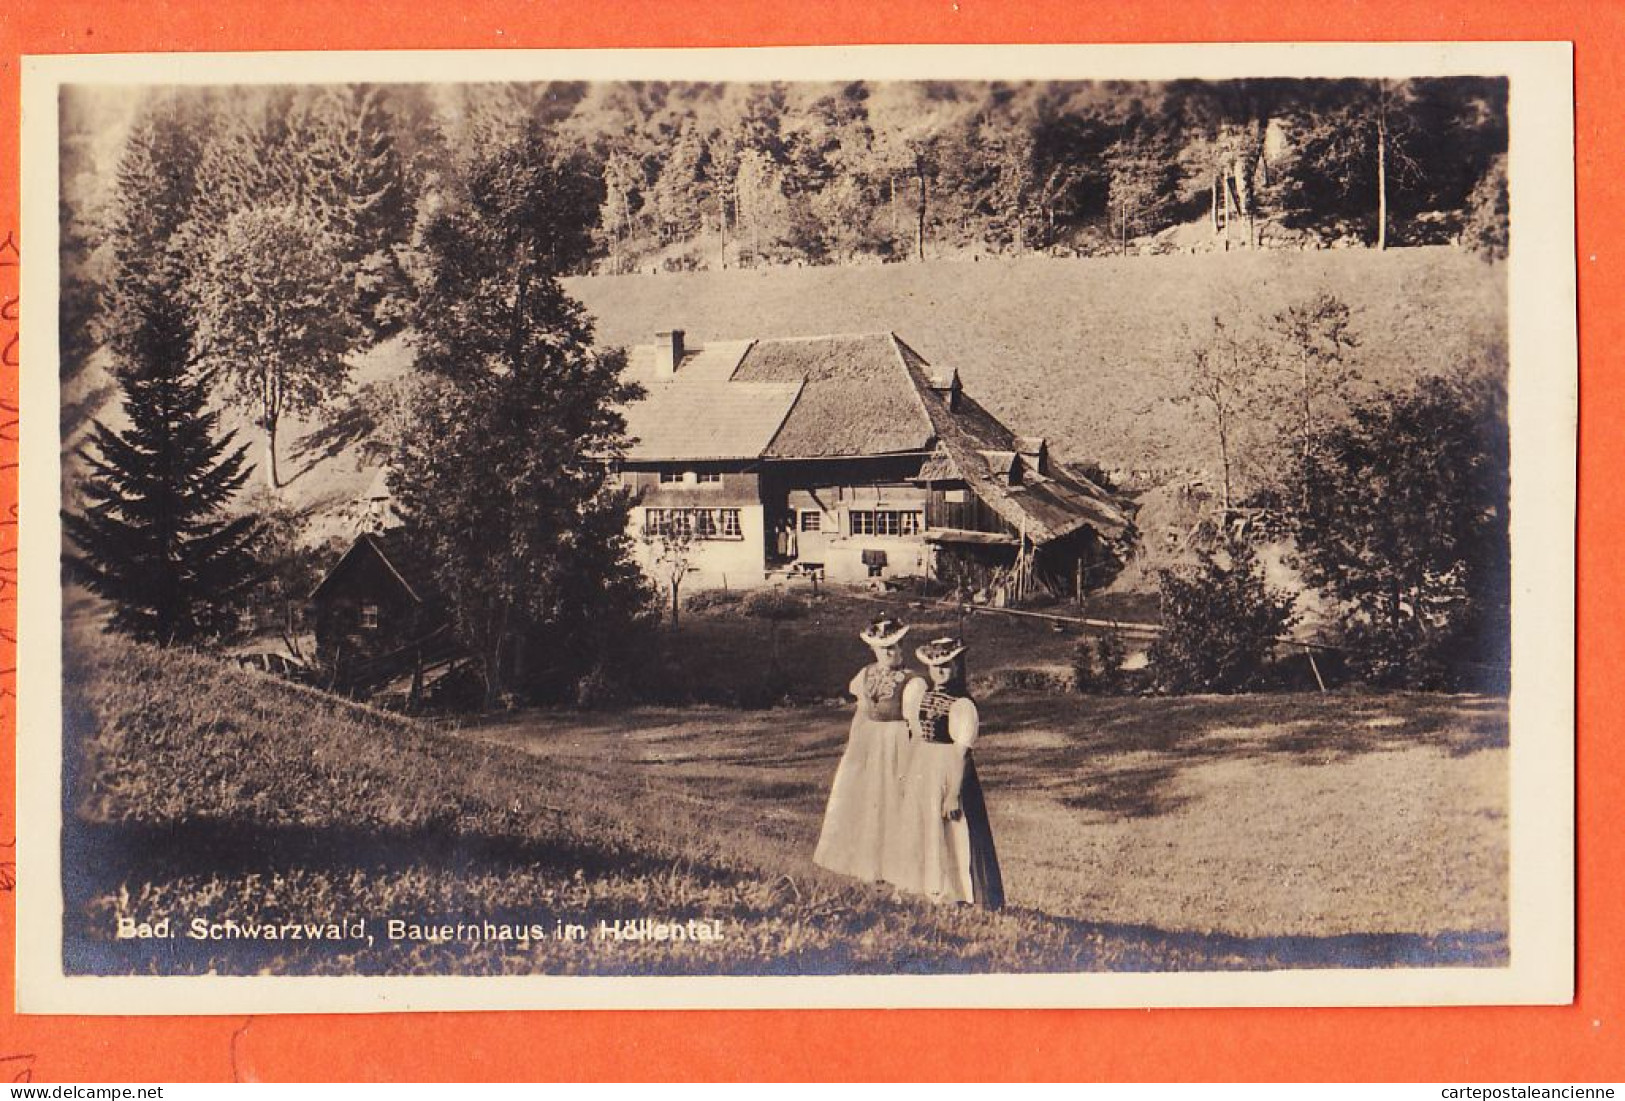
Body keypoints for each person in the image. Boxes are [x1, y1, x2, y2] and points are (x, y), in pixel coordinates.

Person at [895, 637, 1005, 909]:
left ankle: (957, 892)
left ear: (956, 666)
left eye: (946, 665)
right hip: (925, 768)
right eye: (935, 666)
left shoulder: (962, 704)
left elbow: (961, 752)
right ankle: (926, 887)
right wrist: (907, 774)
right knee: (924, 825)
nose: (940, 671)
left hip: (950, 770)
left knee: (953, 829)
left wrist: (954, 794)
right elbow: (917, 737)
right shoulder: (923, 696)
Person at [812, 616, 920, 882]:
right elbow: (861, 713)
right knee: (862, 797)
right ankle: (865, 865)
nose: (891, 653)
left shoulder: (912, 681)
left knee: (891, 799)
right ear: (874, 650)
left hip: (895, 742)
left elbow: (915, 725)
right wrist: (854, 745)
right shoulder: (866, 674)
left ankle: (894, 868)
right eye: (885, 648)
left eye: (896, 647)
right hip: (868, 741)